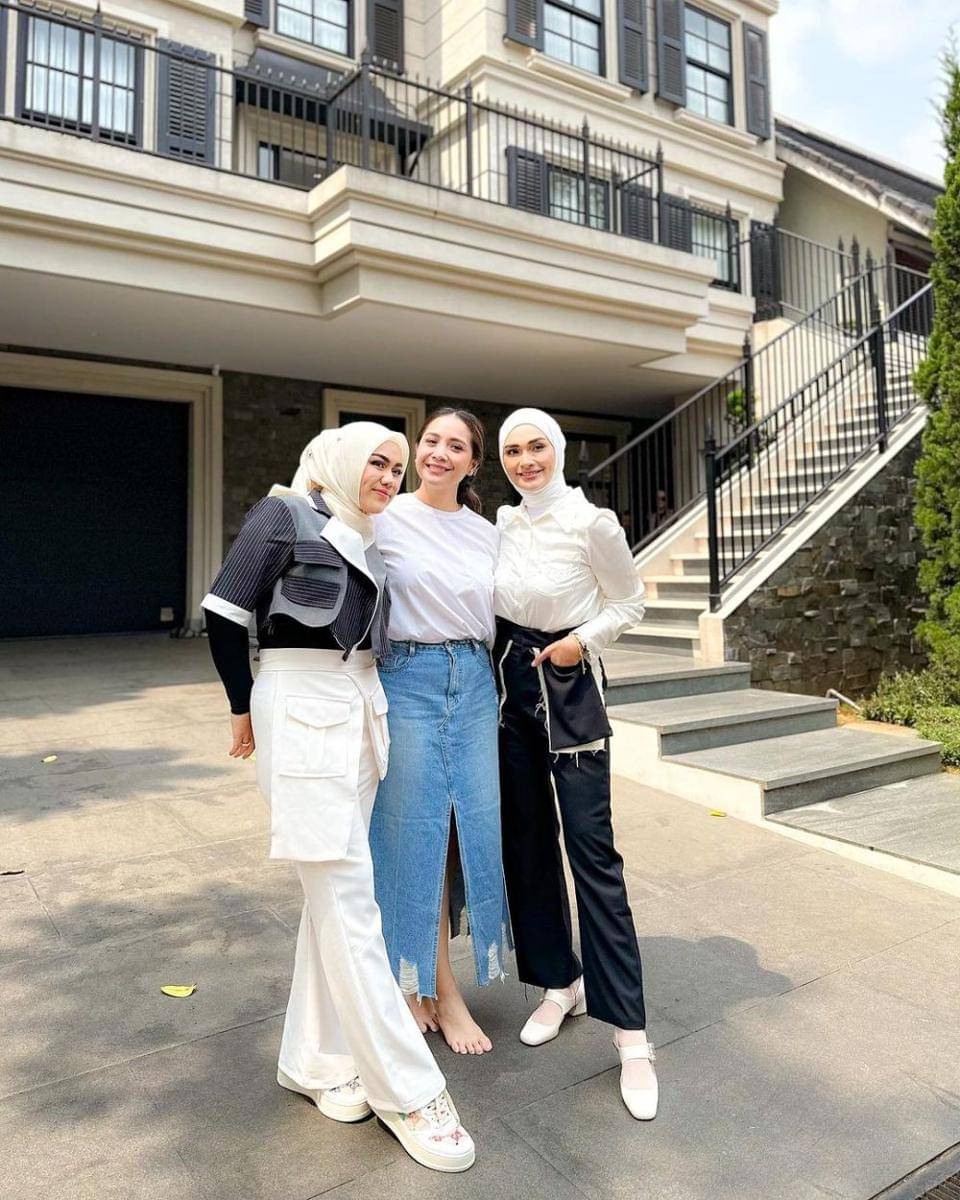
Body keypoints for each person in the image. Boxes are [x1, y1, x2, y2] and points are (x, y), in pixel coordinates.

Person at [200, 423, 475, 1172]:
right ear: (340, 462)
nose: (388, 476)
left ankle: (314, 1061)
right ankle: (409, 1089)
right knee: (352, 903)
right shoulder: (282, 514)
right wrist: (240, 707)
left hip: (359, 713)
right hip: (300, 706)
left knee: (332, 899)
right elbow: (223, 612)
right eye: (376, 463)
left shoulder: (367, 533)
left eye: (396, 467)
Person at [492, 407, 659, 1122]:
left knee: (593, 853)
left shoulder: (594, 523)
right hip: (509, 689)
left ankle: (632, 1038)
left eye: (537, 447)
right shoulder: (503, 523)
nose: (525, 460)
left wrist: (580, 641)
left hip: (569, 687)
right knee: (528, 844)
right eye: (513, 450)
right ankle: (560, 983)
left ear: (558, 451)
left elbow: (630, 602)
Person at [370, 408, 510, 1056]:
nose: (439, 453)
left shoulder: (488, 534)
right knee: (414, 831)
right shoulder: (385, 517)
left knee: (463, 829)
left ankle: (420, 981)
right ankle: (438, 989)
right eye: (431, 441)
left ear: (473, 463)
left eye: (456, 446)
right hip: (409, 678)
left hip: (474, 681)